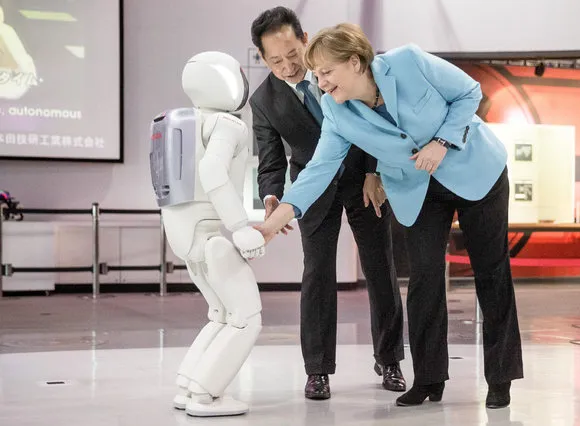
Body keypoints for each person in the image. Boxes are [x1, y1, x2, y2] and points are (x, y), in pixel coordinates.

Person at [255, 23, 524, 409]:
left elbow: (468, 93)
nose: (322, 83)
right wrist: (273, 221)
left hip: (475, 171)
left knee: (491, 272)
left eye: (327, 72)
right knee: (424, 279)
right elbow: (317, 169)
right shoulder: (337, 110)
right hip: (417, 187)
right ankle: (429, 379)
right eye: (318, 75)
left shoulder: (408, 62)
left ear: (354, 62)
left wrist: (442, 141)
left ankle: (500, 378)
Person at [249, 7, 405, 400]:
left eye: (291, 56)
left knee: (380, 267)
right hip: (312, 188)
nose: (286, 67)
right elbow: (269, 160)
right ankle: (317, 370)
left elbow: (379, 119)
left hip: (364, 179)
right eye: (274, 61)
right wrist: (271, 196)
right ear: (262, 59)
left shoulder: (336, 70)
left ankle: (389, 359)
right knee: (317, 275)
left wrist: (377, 171)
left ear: (305, 40)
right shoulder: (263, 100)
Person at [149, 51, 264, 417]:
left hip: (185, 234)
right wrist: (241, 227)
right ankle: (205, 394)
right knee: (246, 316)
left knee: (220, 314)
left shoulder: (176, 123)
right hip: (212, 233)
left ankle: (188, 385)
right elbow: (214, 171)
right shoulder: (226, 125)